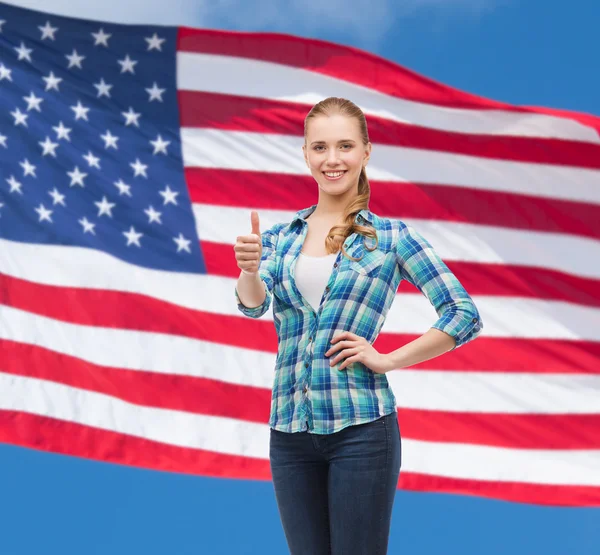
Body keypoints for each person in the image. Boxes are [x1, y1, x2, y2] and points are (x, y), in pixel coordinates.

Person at [233, 97, 483, 555]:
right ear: (306, 153)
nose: (333, 159)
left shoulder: (391, 238)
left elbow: (463, 314)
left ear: (366, 152)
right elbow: (254, 306)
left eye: (345, 146)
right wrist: (248, 271)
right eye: (320, 147)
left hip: (362, 430)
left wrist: (386, 359)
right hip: (289, 433)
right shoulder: (278, 239)